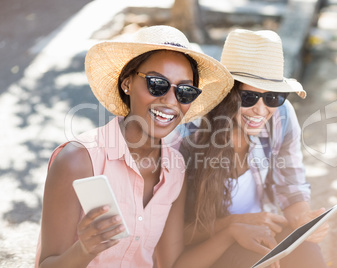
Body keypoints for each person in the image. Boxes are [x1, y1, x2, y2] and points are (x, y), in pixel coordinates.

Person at [35, 25, 233, 268]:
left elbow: (171, 263)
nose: (170, 100)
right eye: (157, 84)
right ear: (127, 84)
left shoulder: (175, 169)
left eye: (184, 91)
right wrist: (84, 250)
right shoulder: (78, 159)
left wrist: (230, 234)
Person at [168, 29, 330, 268]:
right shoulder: (187, 139)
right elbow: (177, 235)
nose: (262, 110)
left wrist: (303, 220)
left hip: (259, 226)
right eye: (249, 98)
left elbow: (290, 186)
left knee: (308, 252)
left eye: (273, 97)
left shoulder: (281, 117)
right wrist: (234, 224)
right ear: (225, 94)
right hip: (208, 247)